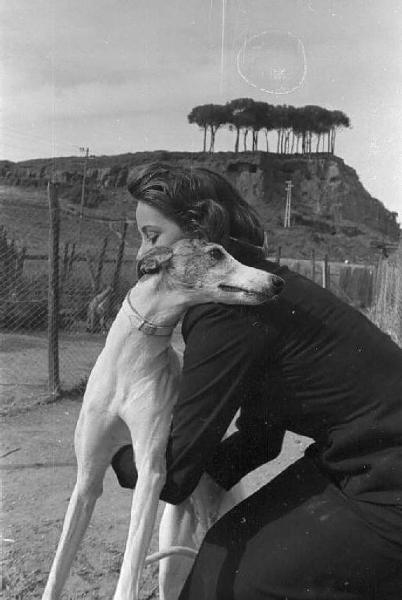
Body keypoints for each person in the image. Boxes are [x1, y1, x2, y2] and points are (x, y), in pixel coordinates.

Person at [111, 162, 402, 599]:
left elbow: (174, 476)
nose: (141, 255)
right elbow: (261, 438)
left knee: (220, 582)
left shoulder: (225, 312)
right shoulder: (258, 286)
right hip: (359, 462)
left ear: (201, 236)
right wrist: (210, 481)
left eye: (152, 237)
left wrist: (107, 458)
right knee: (230, 551)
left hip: (385, 482)